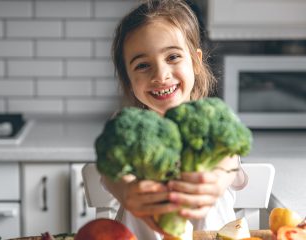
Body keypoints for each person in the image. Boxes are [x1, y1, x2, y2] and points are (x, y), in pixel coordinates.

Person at [100, 0, 248, 239]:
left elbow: (229, 159)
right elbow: (110, 173)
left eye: (172, 57)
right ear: (128, 79)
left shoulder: (214, 122)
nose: (161, 75)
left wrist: (218, 178)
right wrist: (126, 189)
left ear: (196, 61)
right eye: (143, 65)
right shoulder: (126, 128)